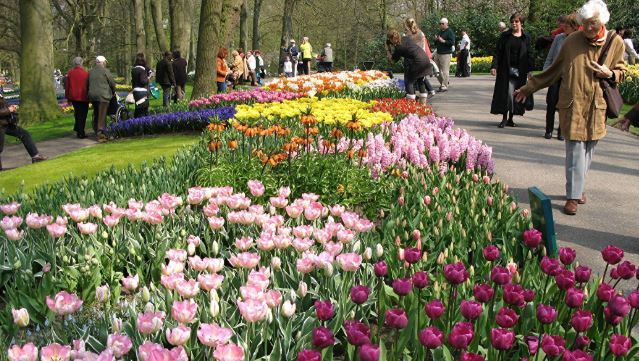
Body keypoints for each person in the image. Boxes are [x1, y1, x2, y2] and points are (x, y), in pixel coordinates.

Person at [514, 0, 627, 215]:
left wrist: (609, 73)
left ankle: (578, 188)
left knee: (588, 151)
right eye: (584, 23)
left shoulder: (615, 43)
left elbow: (621, 70)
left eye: (592, 23)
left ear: (602, 21)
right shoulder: (571, 41)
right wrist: (528, 88)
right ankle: (573, 196)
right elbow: (553, 71)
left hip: (597, 107)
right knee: (575, 151)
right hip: (573, 104)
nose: (588, 28)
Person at [490, 13, 534, 128]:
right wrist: (494, 66)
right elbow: (497, 52)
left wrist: (530, 70)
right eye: (512, 21)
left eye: (516, 21)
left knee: (516, 94)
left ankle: (511, 118)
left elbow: (530, 54)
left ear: (521, 23)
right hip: (506, 69)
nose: (514, 23)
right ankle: (504, 118)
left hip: (521, 71)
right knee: (507, 93)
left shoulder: (526, 37)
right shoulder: (505, 36)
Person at [542, 13, 579, 140]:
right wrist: (545, 73)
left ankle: (561, 131)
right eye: (565, 24)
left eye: (568, 24)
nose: (565, 26)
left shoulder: (579, 40)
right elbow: (550, 57)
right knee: (551, 103)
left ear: (575, 26)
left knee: (565, 106)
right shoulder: (558, 38)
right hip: (555, 75)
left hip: (569, 78)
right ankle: (548, 130)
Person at [0, 94, 47, 170]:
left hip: (6, 123)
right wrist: (9, 110)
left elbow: (3, 106)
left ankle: (35, 157)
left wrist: (12, 107)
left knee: (24, 134)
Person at [385, 29, 431, 104]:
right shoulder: (405, 38)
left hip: (417, 61)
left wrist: (387, 50)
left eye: (390, 40)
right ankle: (423, 106)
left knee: (409, 82)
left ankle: (410, 104)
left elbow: (392, 61)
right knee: (420, 80)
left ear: (391, 39)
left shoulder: (399, 48)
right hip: (424, 58)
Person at [404, 18, 436, 98]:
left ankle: (411, 98)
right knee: (420, 79)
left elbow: (406, 48)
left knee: (409, 80)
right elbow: (423, 48)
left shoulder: (407, 35)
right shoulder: (421, 33)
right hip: (420, 57)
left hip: (410, 59)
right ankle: (423, 102)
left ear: (407, 25)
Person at [87, 55, 115, 142]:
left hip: (92, 96)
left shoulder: (90, 72)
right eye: (105, 62)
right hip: (103, 96)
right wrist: (113, 92)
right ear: (103, 62)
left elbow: (87, 84)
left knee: (96, 113)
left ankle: (97, 131)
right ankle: (101, 134)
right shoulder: (105, 71)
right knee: (102, 115)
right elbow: (112, 83)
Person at [65, 56, 89, 139]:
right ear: (81, 63)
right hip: (83, 97)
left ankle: (79, 130)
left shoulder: (70, 73)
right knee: (83, 115)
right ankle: (81, 132)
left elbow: (67, 86)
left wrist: (68, 97)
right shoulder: (85, 73)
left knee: (77, 114)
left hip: (74, 97)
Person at [433, 18, 455, 92]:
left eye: (442, 23)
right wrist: (436, 40)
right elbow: (436, 43)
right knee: (436, 70)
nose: (440, 25)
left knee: (445, 71)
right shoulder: (440, 31)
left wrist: (444, 41)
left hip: (446, 54)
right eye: (440, 23)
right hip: (438, 53)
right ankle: (444, 82)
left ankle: (444, 86)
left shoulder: (450, 32)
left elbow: (452, 42)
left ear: (446, 24)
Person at [131, 53, 151, 118]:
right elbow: (143, 81)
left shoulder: (133, 70)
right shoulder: (142, 70)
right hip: (142, 92)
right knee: (144, 110)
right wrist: (148, 79)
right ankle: (142, 124)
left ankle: (134, 123)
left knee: (138, 109)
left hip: (135, 91)